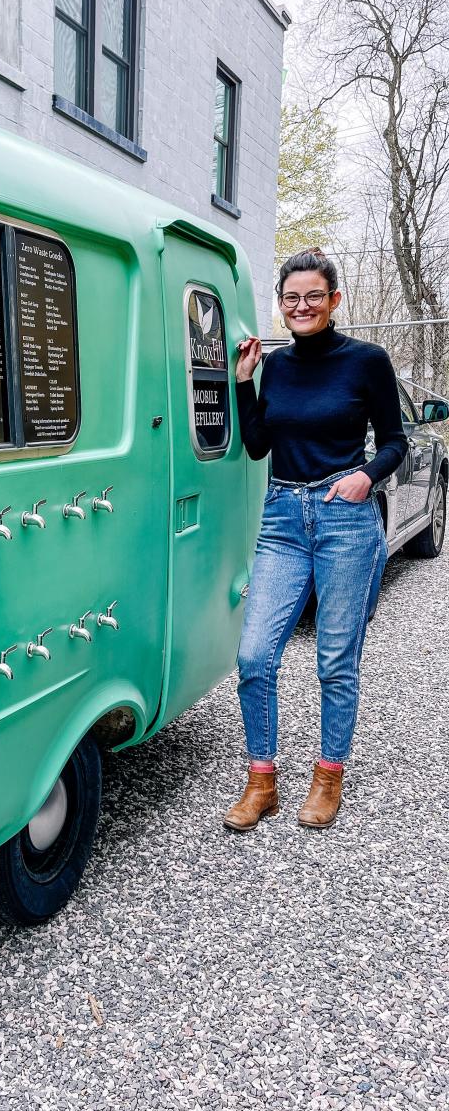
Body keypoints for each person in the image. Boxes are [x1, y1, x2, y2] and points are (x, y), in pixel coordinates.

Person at [224, 247, 408, 832]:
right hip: (282, 515)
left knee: (335, 660)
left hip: (344, 519)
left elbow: (396, 441)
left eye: (313, 297)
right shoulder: (274, 366)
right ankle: (262, 782)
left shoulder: (367, 361)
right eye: (291, 298)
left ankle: (328, 777)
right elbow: (257, 446)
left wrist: (365, 477)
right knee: (254, 655)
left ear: (333, 300)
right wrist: (244, 383)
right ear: (281, 305)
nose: (301, 306)